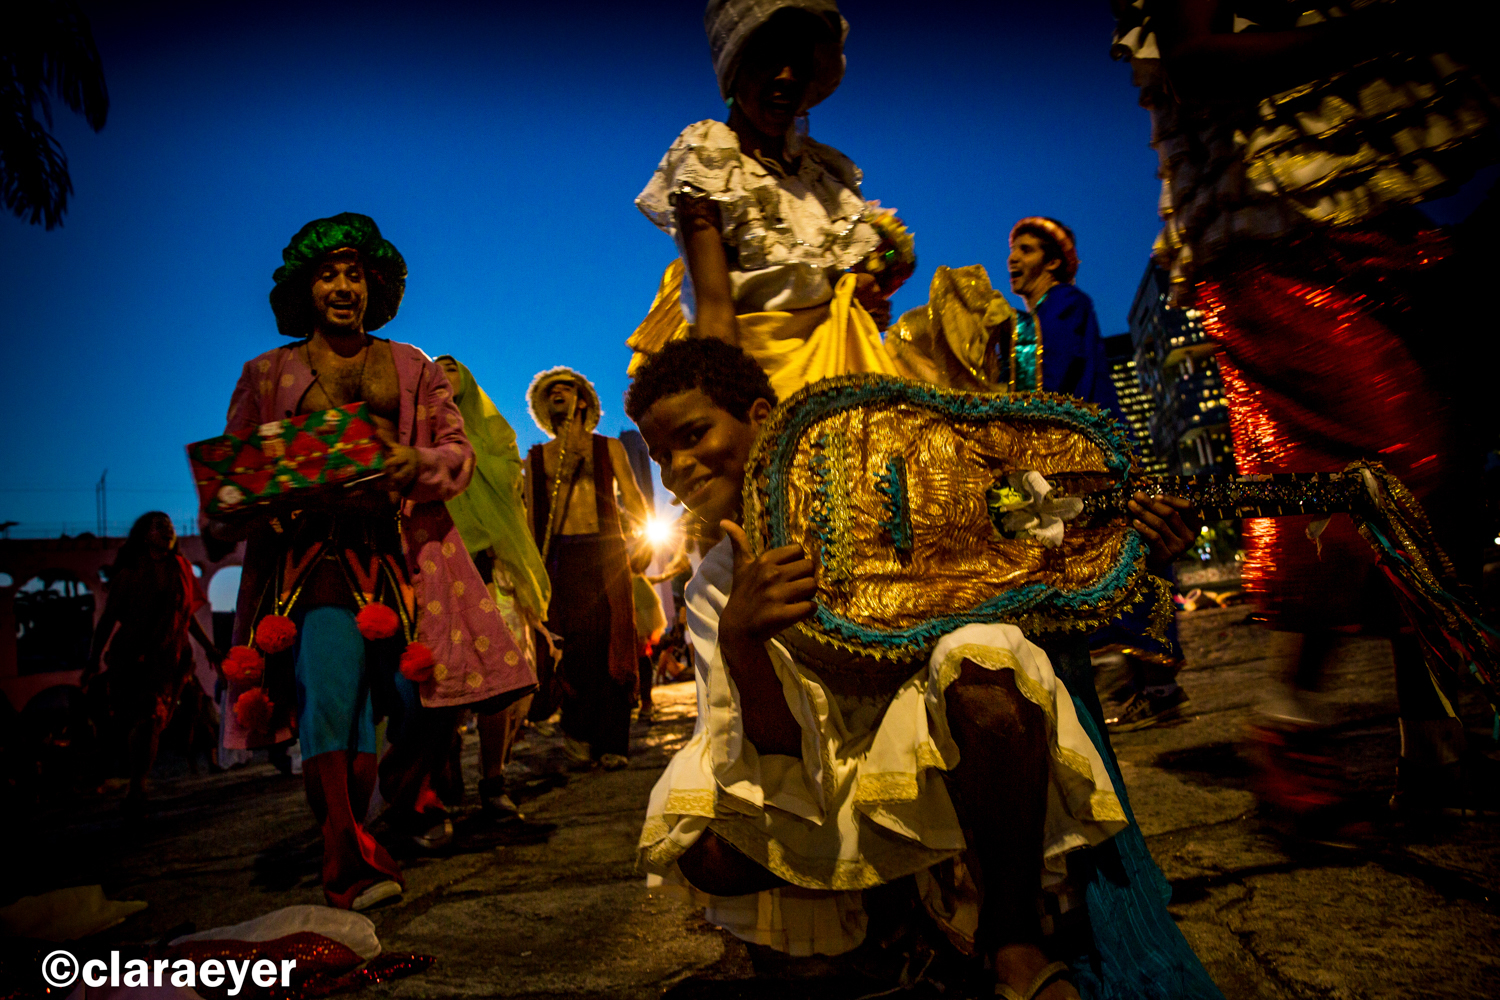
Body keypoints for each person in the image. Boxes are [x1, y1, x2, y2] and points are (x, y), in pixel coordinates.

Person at [626, 338, 1222, 1000]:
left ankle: (1012, 941)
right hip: (828, 784)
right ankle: (903, 926)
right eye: (660, 457)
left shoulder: (901, 480)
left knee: (988, 665)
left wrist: (1135, 535)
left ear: (763, 416)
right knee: (703, 849)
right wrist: (743, 641)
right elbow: (775, 759)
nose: (678, 467)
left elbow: (1047, 563)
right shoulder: (712, 584)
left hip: (959, 749)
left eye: (693, 435)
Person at [1111, 1, 1500, 816]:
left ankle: (1430, 735)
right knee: (1391, 461)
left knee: (1441, 476)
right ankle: (1293, 714)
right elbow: (1197, 60)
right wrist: (1388, 26)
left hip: (1361, 212)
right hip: (1268, 237)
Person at [206, 213, 534, 909]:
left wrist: (414, 460)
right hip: (312, 567)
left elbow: (459, 451)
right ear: (305, 287)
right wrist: (237, 503)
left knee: (432, 704)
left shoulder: (413, 365)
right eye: (328, 273)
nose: (343, 286)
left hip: (410, 561)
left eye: (355, 273)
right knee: (335, 707)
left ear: (374, 284)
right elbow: (234, 475)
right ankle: (350, 863)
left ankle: (402, 807)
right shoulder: (264, 375)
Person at [1004, 217, 1189, 731]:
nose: (1013, 259)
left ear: (1054, 260)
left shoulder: (1063, 304)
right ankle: (1142, 686)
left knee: (1112, 563)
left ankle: (1151, 687)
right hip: (1072, 458)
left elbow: (1049, 378)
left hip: (1084, 459)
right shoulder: (1042, 313)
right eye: (1012, 250)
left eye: (1025, 249)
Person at [436, 355, 549, 821]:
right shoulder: (418, 440)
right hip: (440, 574)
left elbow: (509, 484)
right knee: (444, 683)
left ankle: (493, 779)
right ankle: (444, 784)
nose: (444, 375)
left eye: (452, 368)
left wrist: (469, 456)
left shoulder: (497, 436)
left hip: (493, 570)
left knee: (502, 684)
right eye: (435, 370)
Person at [522, 368, 651, 770]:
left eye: (568, 388)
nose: (559, 392)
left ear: (582, 401)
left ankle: (613, 743)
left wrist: (643, 540)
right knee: (573, 647)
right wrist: (530, 570)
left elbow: (634, 499)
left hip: (606, 551)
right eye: (552, 391)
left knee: (611, 642)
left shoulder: (608, 448)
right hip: (562, 558)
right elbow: (530, 520)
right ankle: (577, 731)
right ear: (545, 406)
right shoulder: (536, 457)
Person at [84, 511, 222, 807]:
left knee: (154, 721)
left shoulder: (181, 567)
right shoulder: (130, 572)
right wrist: (93, 658)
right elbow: (108, 619)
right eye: (159, 526)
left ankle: (137, 782)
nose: (168, 529)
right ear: (144, 535)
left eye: (170, 525)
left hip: (170, 658)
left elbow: (185, 615)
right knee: (147, 716)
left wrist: (209, 648)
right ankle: (137, 786)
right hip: (134, 656)